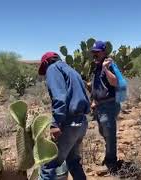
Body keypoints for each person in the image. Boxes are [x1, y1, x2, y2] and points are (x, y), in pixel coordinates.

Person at [38, 52, 90, 180]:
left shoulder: (53, 68)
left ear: (46, 62)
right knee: (73, 162)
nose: (46, 73)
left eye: (44, 69)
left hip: (69, 123)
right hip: (81, 122)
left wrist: (56, 123)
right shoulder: (72, 70)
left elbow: (60, 97)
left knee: (49, 165)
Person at [90, 41, 121, 173]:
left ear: (103, 51)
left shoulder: (110, 64)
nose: (94, 54)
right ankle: (109, 158)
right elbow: (98, 85)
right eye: (93, 52)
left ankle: (111, 163)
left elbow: (115, 82)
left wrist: (106, 69)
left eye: (96, 52)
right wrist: (94, 100)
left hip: (109, 105)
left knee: (109, 135)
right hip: (99, 105)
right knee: (104, 133)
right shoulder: (97, 66)